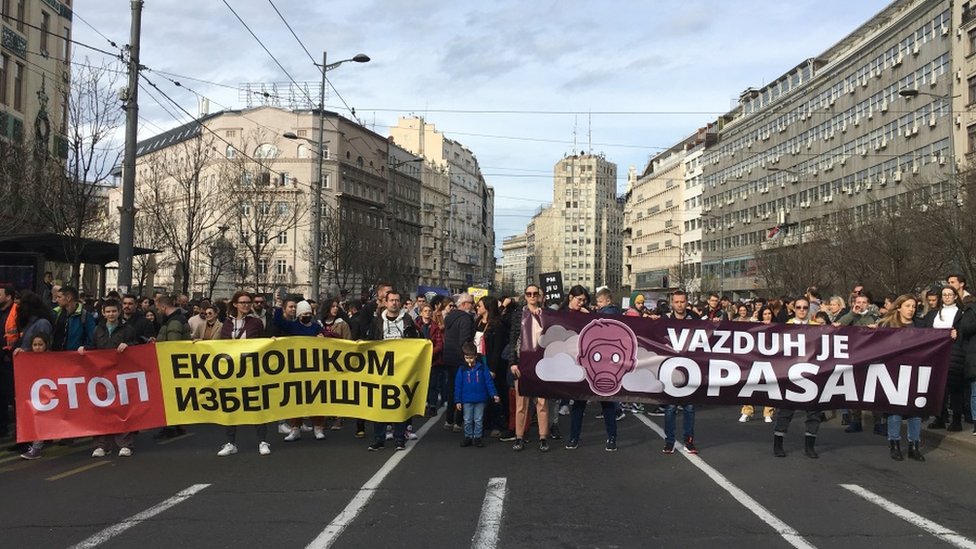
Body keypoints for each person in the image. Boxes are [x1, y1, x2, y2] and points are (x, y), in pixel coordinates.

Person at [79, 299, 139, 457]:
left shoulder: (128, 329)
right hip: (102, 376)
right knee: (101, 410)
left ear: (119, 312)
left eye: (114, 311)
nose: (111, 314)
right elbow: (93, 347)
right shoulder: (98, 330)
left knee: (122, 409)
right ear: (103, 313)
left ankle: (125, 444)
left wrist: (129, 346)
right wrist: (84, 349)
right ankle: (102, 445)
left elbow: (138, 347)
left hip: (121, 376)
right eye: (108, 311)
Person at [217, 292, 270, 456]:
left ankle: (262, 441)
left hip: (251, 371)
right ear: (235, 304)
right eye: (243, 302)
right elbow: (218, 345)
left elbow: (262, 343)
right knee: (230, 406)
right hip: (231, 372)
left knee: (255, 404)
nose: (246, 305)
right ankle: (230, 442)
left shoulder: (256, 323)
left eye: (248, 302)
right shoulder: (226, 324)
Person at [368, 289, 421, 451]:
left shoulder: (408, 320)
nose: (394, 303)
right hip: (381, 369)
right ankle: (379, 438)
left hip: (401, 369)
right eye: (391, 300)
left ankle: (399, 438)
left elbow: (415, 342)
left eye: (397, 300)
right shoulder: (377, 321)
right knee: (380, 405)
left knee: (399, 404)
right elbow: (370, 342)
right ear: (385, 302)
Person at [875, 294, 925, 460]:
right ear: (899, 307)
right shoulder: (887, 324)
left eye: (913, 306)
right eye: (907, 306)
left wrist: (950, 335)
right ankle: (894, 444)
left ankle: (914, 445)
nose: (911, 309)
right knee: (894, 410)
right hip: (893, 372)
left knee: (915, 410)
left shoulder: (921, 325)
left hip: (915, 372)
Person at [773, 297, 824, 459]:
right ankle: (778, 444)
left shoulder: (818, 327)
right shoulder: (786, 327)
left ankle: (810, 446)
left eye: (805, 307)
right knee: (786, 410)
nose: (802, 310)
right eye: (799, 307)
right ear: (794, 308)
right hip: (791, 374)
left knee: (814, 412)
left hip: (812, 374)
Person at [275, 300, 327, 442]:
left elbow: (326, 340)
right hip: (296, 368)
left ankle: (318, 427)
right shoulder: (292, 326)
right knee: (295, 398)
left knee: (315, 397)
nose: (307, 316)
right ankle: (295, 428)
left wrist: (322, 338)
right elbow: (278, 322)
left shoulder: (316, 328)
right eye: (304, 313)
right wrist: (279, 306)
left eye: (309, 313)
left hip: (313, 368)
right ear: (298, 315)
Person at [508, 283, 552, 451]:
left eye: (535, 294)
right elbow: (513, 338)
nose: (532, 296)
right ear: (525, 296)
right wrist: (512, 362)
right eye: (529, 293)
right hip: (522, 362)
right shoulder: (519, 314)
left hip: (541, 363)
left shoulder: (547, 314)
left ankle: (543, 437)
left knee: (542, 403)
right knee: (521, 404)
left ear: (540, 296)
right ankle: (519, 437)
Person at [663, 290, 699, 454]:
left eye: (682, 302)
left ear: (687, 302)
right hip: (671, 371)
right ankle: (669, 441)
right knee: (670, 408)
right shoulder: (665, 321)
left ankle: (689, 441)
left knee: (689, 408)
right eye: (676, 302)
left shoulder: (695, 320)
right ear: (672, 303)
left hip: (691, 370)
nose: (679, 305)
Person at [923, 286, 963, 431]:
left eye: (949, 294)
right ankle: (940, 417)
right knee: (938, 388)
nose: (946, 297)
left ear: (955, 296)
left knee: (955, 389)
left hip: (954, 354)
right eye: (944, 294)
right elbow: (925, 331)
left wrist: (958, 333)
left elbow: (964, 331)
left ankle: (956, 420)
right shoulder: (933, 314)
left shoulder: (961, 314)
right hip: (936, 354)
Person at [474, 295, 510, 439]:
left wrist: (493, 369)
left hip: (492, 364)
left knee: (496, 394)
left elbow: (496, 349)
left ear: (488, 307)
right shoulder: (478, 322)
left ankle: (498, 423)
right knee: (482, 394)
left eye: (480, 305)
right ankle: (485, 421)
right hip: (479, 362)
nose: (477, 307)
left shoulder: (496, 325)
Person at [455, 342, 500, 447]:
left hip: (480, 398)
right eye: (467, 358)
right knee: (467, 419)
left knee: (478, 419)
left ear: (475, 356)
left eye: (471, 358)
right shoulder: (462, 369)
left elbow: (489, 382)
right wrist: (458, 400)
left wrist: (494, 394)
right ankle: (468, 436)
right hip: (467, 399)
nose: (469, 360)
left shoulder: (483, 368)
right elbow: (458, 386)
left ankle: (477, 437)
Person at [16, 333, 53, 459]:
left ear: (46, 345)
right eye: (35, 345)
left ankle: (36, 448)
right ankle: (35, 447)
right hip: (36, 395)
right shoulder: (27, 358)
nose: (37, 347)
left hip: (49, 396)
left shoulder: (53, 358)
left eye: (40, 345)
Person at [443, 293, 475, 432]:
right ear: (464, 304)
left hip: (449, 357)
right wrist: (468, 356)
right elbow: (464, 340)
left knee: (451, 389)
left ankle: (449, 419)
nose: (473, 306)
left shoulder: (450, 317)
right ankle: (458, 421)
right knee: (462, 389)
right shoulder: (466, 319)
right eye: (472, 303)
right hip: (461, 358)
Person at [740, 306, 774, 423]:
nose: (767, 316)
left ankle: (768, 412)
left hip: (771, 361)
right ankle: (747, 411)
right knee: (749, 384)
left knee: (770, 386)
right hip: (754, 360)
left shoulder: (778, 328)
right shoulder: (754, 327)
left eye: (769, 313)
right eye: (764, 314)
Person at [416, 303, 445, 418]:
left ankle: (432, 405)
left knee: (433, 384)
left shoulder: (435, 327)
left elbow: (439, 343)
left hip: (433, 360)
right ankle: (420, 406)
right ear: (421, 313)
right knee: (420, 384)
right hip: (419, 360)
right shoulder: (416, 325)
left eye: (429, 311)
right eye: (425, 311)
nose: (427, 313)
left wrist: (431, 353)